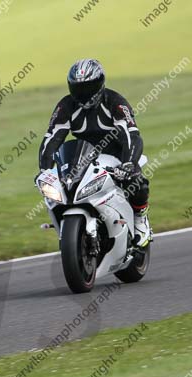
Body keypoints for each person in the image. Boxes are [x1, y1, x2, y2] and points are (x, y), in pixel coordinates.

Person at [36, 59, 152, 246]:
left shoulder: (115, 102)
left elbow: (131, 135)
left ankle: (140, 219)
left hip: (116, 155)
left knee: (136, 181)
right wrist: (45, 170)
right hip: (82, 156)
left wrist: (129, 163)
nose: (84, 93)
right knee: (63, 188)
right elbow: (52, 139)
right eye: (78, 88)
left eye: (89, 87)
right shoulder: (66, 106)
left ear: (100, 84)